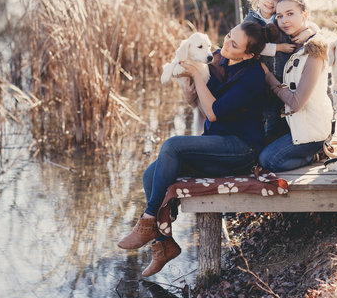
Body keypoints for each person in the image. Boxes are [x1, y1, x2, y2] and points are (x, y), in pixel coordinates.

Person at [117, 21, 279, 277]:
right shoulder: (217, 59)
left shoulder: (252, 76)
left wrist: (196, 75)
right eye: (227, 37)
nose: (224, 44)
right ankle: (164, 244)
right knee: (150, 174)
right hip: (215, 144)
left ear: (248, 54)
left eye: (233, 44)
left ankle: (148, 221)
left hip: (240, 148)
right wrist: (185, 77)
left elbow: (213, 113)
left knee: (172, 145)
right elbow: (194, 95)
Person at [258, 0, 333, 172]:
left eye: (290, 14)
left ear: (304, 14)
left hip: (312, 129)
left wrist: (269, 78)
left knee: (269, 160)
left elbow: (296, 102)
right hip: (294, 124)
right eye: (280, 15)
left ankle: (316, 154)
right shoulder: (290, 39)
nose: (284, 21)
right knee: (255, 153)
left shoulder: (314, 49)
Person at [244, 0, 319, 143]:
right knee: (265, 115)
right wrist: (278, 47)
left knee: (280, 113)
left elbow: (309, 24)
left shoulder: (280, 19)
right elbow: (249, 46)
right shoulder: (251, 22)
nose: (270, 2)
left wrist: (309, 31)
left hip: (284, 78)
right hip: (262, 78)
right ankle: (264, 145)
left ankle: (283, 139)